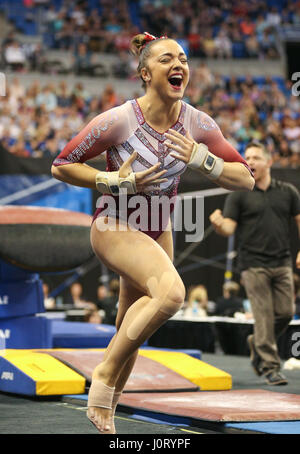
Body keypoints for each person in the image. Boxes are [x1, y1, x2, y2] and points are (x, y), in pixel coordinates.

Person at [51, 32, 254, 434]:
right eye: (166, 59)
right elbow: (61, 164)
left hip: (158, 229)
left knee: (133, 324)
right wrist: (112, 181)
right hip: (114, 224)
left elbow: (245, 178)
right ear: (145, 72)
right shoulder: (117, 119)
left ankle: (106, 412)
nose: (178, 64)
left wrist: (204, 159)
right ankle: (104, 374)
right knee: (172, 294)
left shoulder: (198, 123)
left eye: (183, 58)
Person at [210, 140, 300, 386]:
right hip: (252, 264)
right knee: (262, 315)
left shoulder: (288, 192)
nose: (249, 161)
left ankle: (255, 342)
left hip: (282, 262)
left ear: (269, 161)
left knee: (285, 313)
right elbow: (229, 228)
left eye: (255, 157)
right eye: (247, 157)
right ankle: (270, 367)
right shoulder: (240, 195)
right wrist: (219, 225)